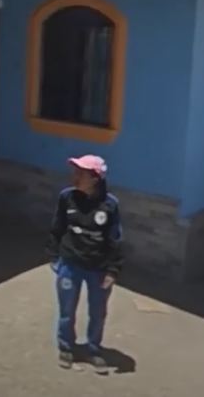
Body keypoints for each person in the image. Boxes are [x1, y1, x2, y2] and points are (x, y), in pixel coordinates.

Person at [47, 154, 123, 374]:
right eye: (75, 171)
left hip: (98, 268)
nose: (75, 177)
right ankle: (66, 347)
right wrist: (54, 256)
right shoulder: (66, 197)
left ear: (95, 178)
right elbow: (57, 226)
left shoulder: (110, 205)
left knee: (97, 312)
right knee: (66, 310)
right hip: (70, 264)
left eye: (81, 173)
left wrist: (112, 270)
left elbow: (115, 239)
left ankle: (93, 349)